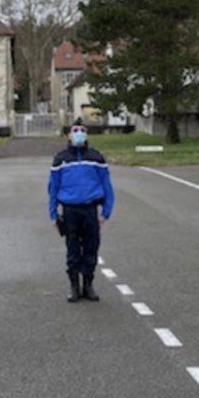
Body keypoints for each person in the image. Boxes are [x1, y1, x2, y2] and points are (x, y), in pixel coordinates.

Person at [48, 118, 115, 303]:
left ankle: (88, 284)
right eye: (75, 130)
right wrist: (53, 213)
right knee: (73, 248)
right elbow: (53, 187)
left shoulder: (96, 157)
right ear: (68, 135)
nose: (79, 134)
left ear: (87, 134)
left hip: (90, 209)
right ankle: (74, 286)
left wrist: (106, 211)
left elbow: (106, 185)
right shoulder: (61, 159)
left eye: (82, 130)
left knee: (91, 246)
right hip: (70, 210)